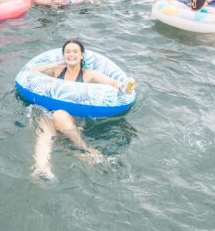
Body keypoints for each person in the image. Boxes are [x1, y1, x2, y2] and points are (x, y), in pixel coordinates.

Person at [29, 39, 135, 180]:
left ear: (81, 55)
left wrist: (125, 87)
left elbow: (113, 82)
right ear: (63, 55)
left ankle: (83, 147)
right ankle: (42, 169)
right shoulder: (56, 70)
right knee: (45, 130)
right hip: (50, 113)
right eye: (67, 52)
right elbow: (31, 72)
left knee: (58, 116)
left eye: (75, 51)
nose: (71, 54)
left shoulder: (88, 74)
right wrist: (51, 65)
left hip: (72, 119)